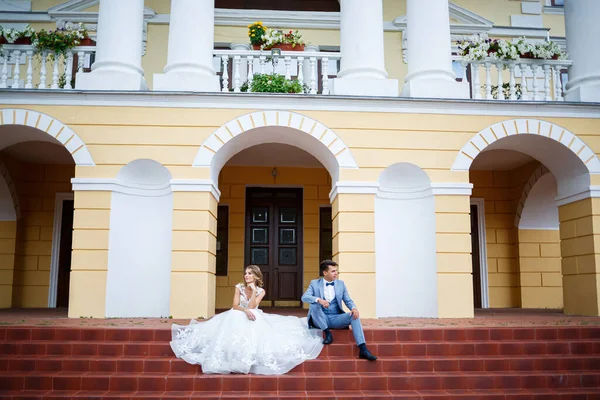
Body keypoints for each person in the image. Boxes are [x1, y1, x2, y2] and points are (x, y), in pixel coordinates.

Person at [170, 265, 324, 375]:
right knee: (238, 316)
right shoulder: (238, 286)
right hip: (237, 313)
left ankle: (245, 356)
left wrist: (254, 290)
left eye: (250, 273)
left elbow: (253, 306)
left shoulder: (261, 291)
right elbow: (235, 305)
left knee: (253, 317)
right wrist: (245, 311)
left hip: (253, 313)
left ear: (256, 276)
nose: (246, 276)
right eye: (245, 273)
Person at [301, 259, 377, 361]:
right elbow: (304, 297)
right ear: (325, 273)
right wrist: (319, 300)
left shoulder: (341, 284)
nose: (336, 273)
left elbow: (348, 300)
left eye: (336, 271)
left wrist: (354, 308)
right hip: (320, 319)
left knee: (353, 315)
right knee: (314, 305)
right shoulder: (314, 283)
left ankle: (363, 349)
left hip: (335, 318)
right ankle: (327, 333)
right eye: (333, 271)